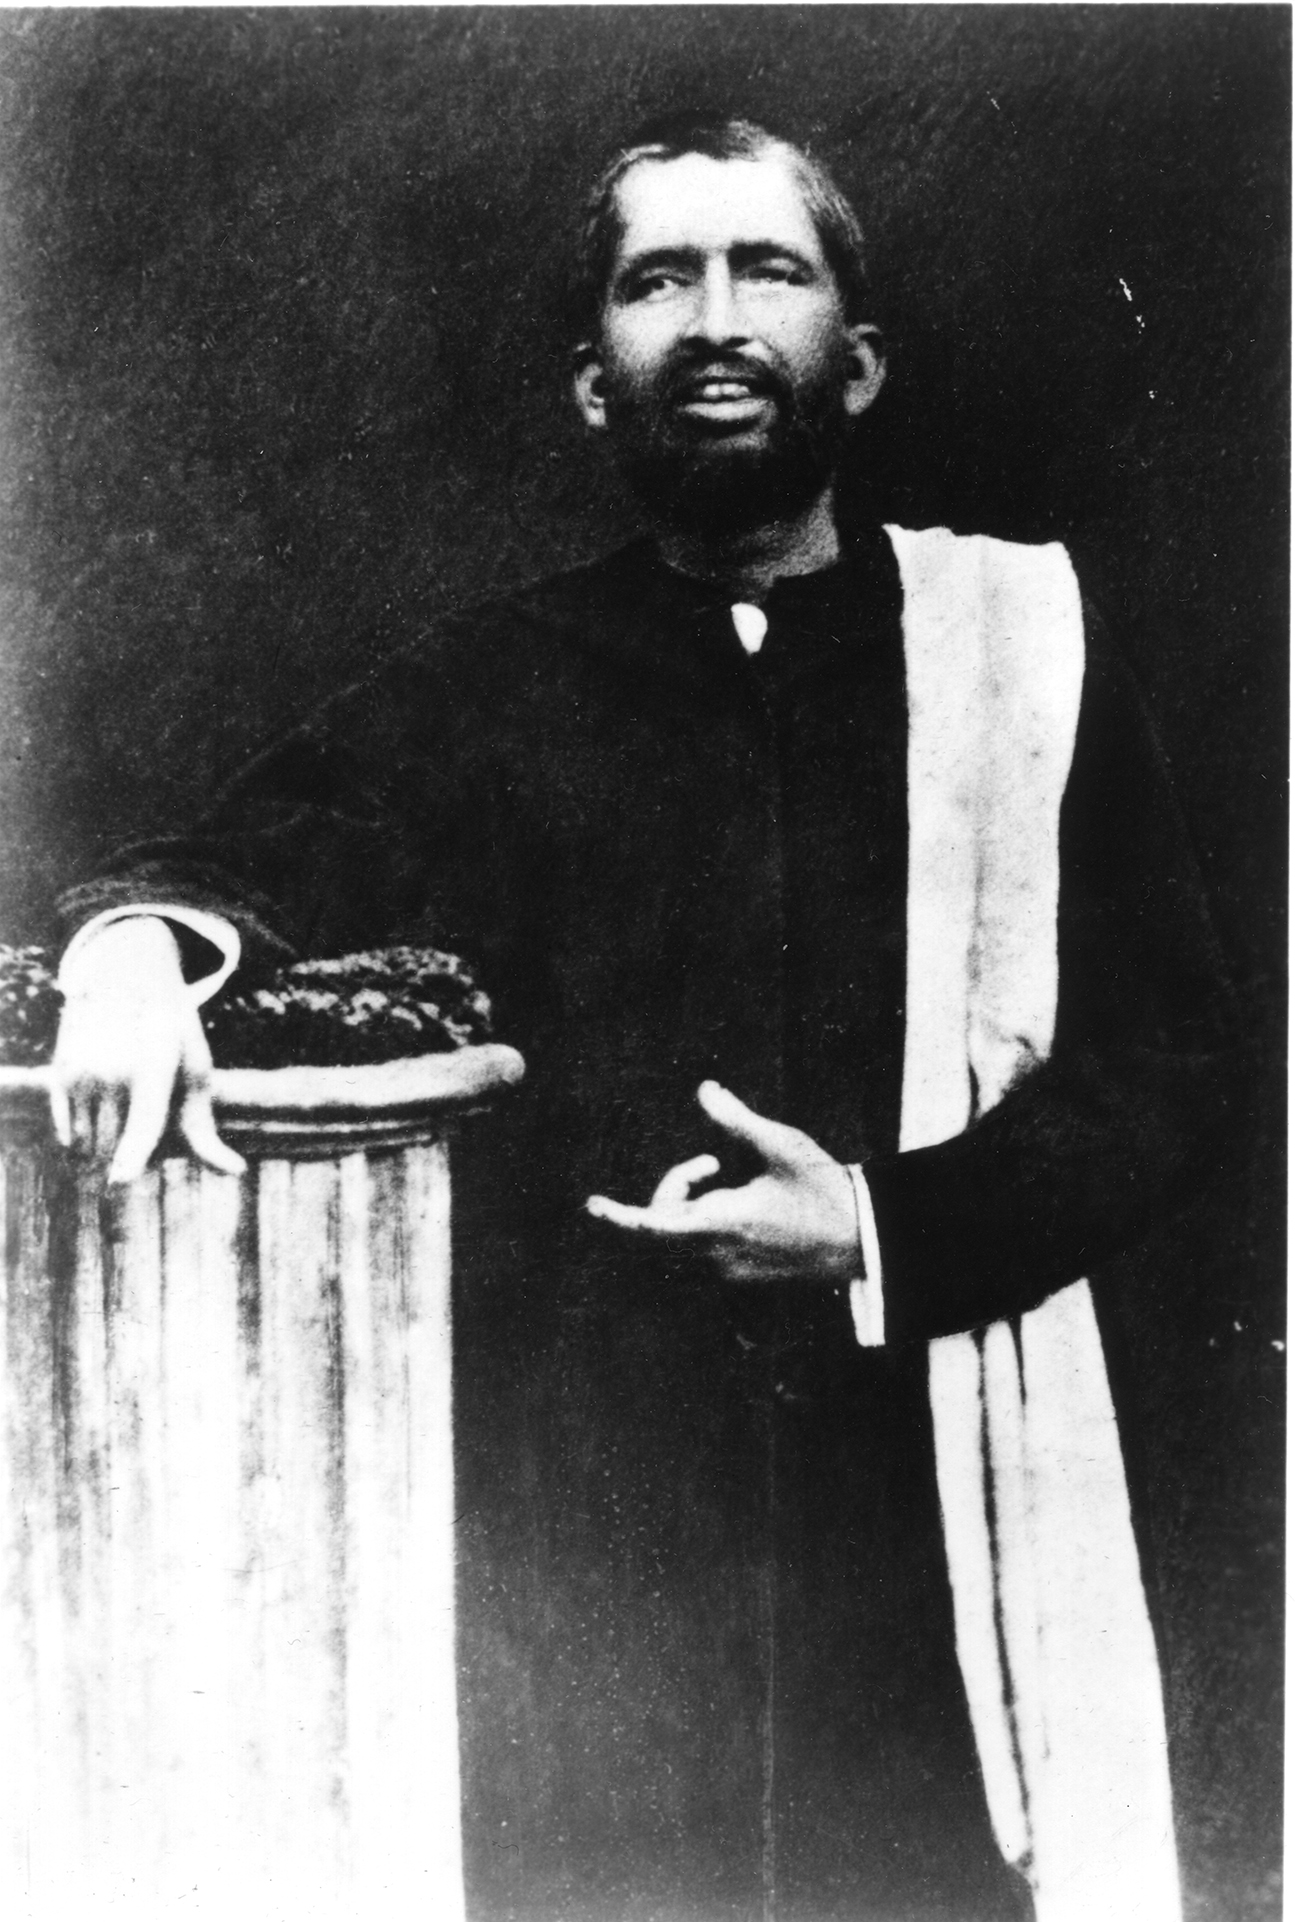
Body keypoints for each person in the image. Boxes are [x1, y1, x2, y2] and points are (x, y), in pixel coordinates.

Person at [51, 114, 1233, 1921]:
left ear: (861, 353)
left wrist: (875, 1224)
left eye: (768, 267)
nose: (713, 316)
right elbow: (231, 854)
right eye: (656, 278)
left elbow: (1173, 1064)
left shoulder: (1024, 646)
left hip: (926, 1499)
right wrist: (134, 949)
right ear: (594, 387)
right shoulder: (499, 677)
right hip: (597, 1545)